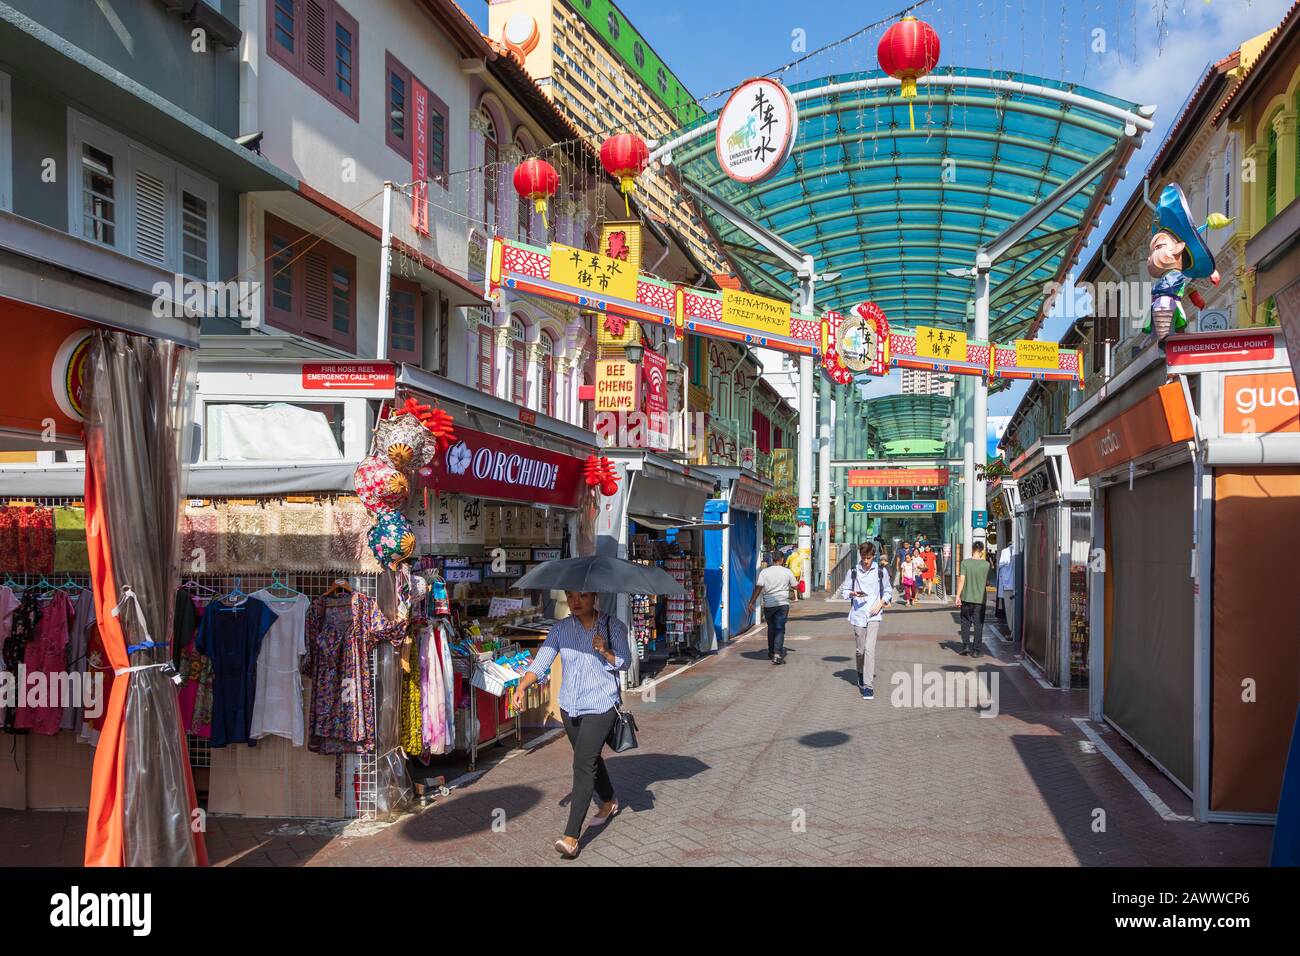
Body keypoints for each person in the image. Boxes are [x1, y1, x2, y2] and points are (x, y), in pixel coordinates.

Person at [512, 591, 631, 859]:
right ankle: (610, 801)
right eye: (571, 596)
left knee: (581, 764)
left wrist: (606, 651)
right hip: (569, 707)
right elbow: (542, 661)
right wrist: (522, 686)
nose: (576, 601)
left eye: (583, 596)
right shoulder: (560, 629)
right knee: (588, 758)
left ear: (595, 597)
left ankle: (571, 837)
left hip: (601, 705)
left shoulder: (613, 626)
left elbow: (626, 662)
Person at [838, 542, 893, 699]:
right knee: (860, 651)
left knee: (870, 649)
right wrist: (852, 594)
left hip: (874, 614)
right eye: (863, 557)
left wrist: (881, 603)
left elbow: (888, 591)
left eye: (868, 558)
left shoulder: (880, 571)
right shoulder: (853, 571)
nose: (866, 561)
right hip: (858, 613)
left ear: (873, 556)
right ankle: (860, 673)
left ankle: (868, 685)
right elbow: (844, 591)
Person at [746, 552, 801, 664]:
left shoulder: (764, 572)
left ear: (772, 559)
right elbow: (796, 586)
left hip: (769, 605)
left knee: (771, 628)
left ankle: (771, 652)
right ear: (781, 559)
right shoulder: (787, 572)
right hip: (782, 604)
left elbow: (758, 588)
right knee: (780, 628)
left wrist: (751, 602)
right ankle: (777, 654)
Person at [954, 542, 992, 657]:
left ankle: (965, 646)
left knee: (965, 622)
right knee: (978, 624)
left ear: (972, 550)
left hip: (966, 598)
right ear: (982, 551)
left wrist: (957, 596)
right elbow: (988, 582)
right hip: (980, 600)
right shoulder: (986, 565)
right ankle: (976, 650)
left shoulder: (965, 563)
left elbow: (961, 580)